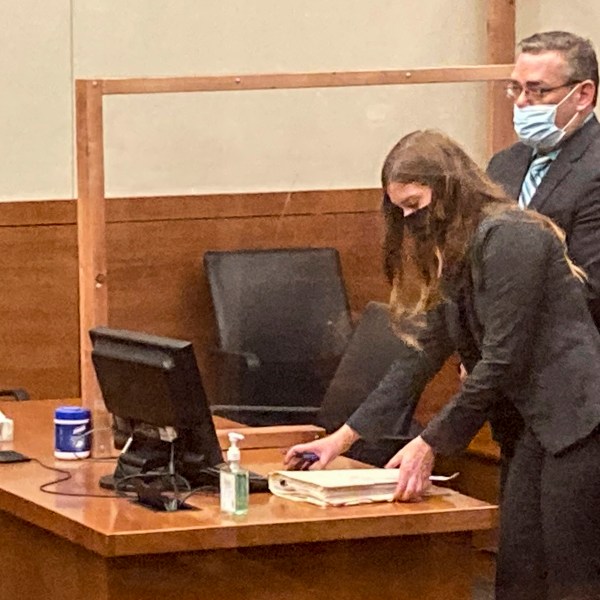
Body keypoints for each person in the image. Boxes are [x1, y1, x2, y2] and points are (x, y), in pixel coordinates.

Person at [285, 130, 600, 600]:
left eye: (415, 204)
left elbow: (502, 359)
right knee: (518, 574)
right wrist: (344, 437)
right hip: (535, 426)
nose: (411, 220)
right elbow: (422, 353)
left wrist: (431, 441)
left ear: (449, 188)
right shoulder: (462, 246)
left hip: (577, 423)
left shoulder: (511, 236)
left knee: (569, 578)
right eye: (402, 211)